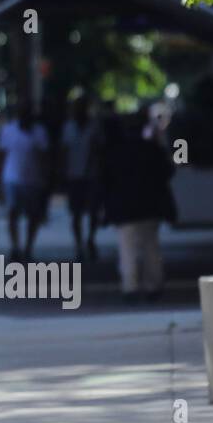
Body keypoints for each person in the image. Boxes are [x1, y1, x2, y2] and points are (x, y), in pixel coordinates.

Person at [99, 109, 176, 302]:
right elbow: (167, 172)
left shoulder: (116, 152)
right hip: (150, 205)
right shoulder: (152, 149)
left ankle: (130, 287)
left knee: (128, 249)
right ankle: (153, 285)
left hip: (125, 208)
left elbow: (105, 180)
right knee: (151, 247)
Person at [0, 99, 49, 264]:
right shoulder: (9, 130)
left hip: (33, 180)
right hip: (12, 178)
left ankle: (28, 247)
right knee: (13, 212)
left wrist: (45, 178)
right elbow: (2, 156)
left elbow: (44, 156)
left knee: (33, 216)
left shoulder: (39, 132)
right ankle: (15, 247)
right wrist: (0, 182)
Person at [60, 96, 98, 262]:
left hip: (90, 175)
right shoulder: (69, 127)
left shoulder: (93, 126)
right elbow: (64, 151)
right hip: (74, 175)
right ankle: (79, 244)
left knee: (93, 211)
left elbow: (98, 149)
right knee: (76, 213)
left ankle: (90, 239)